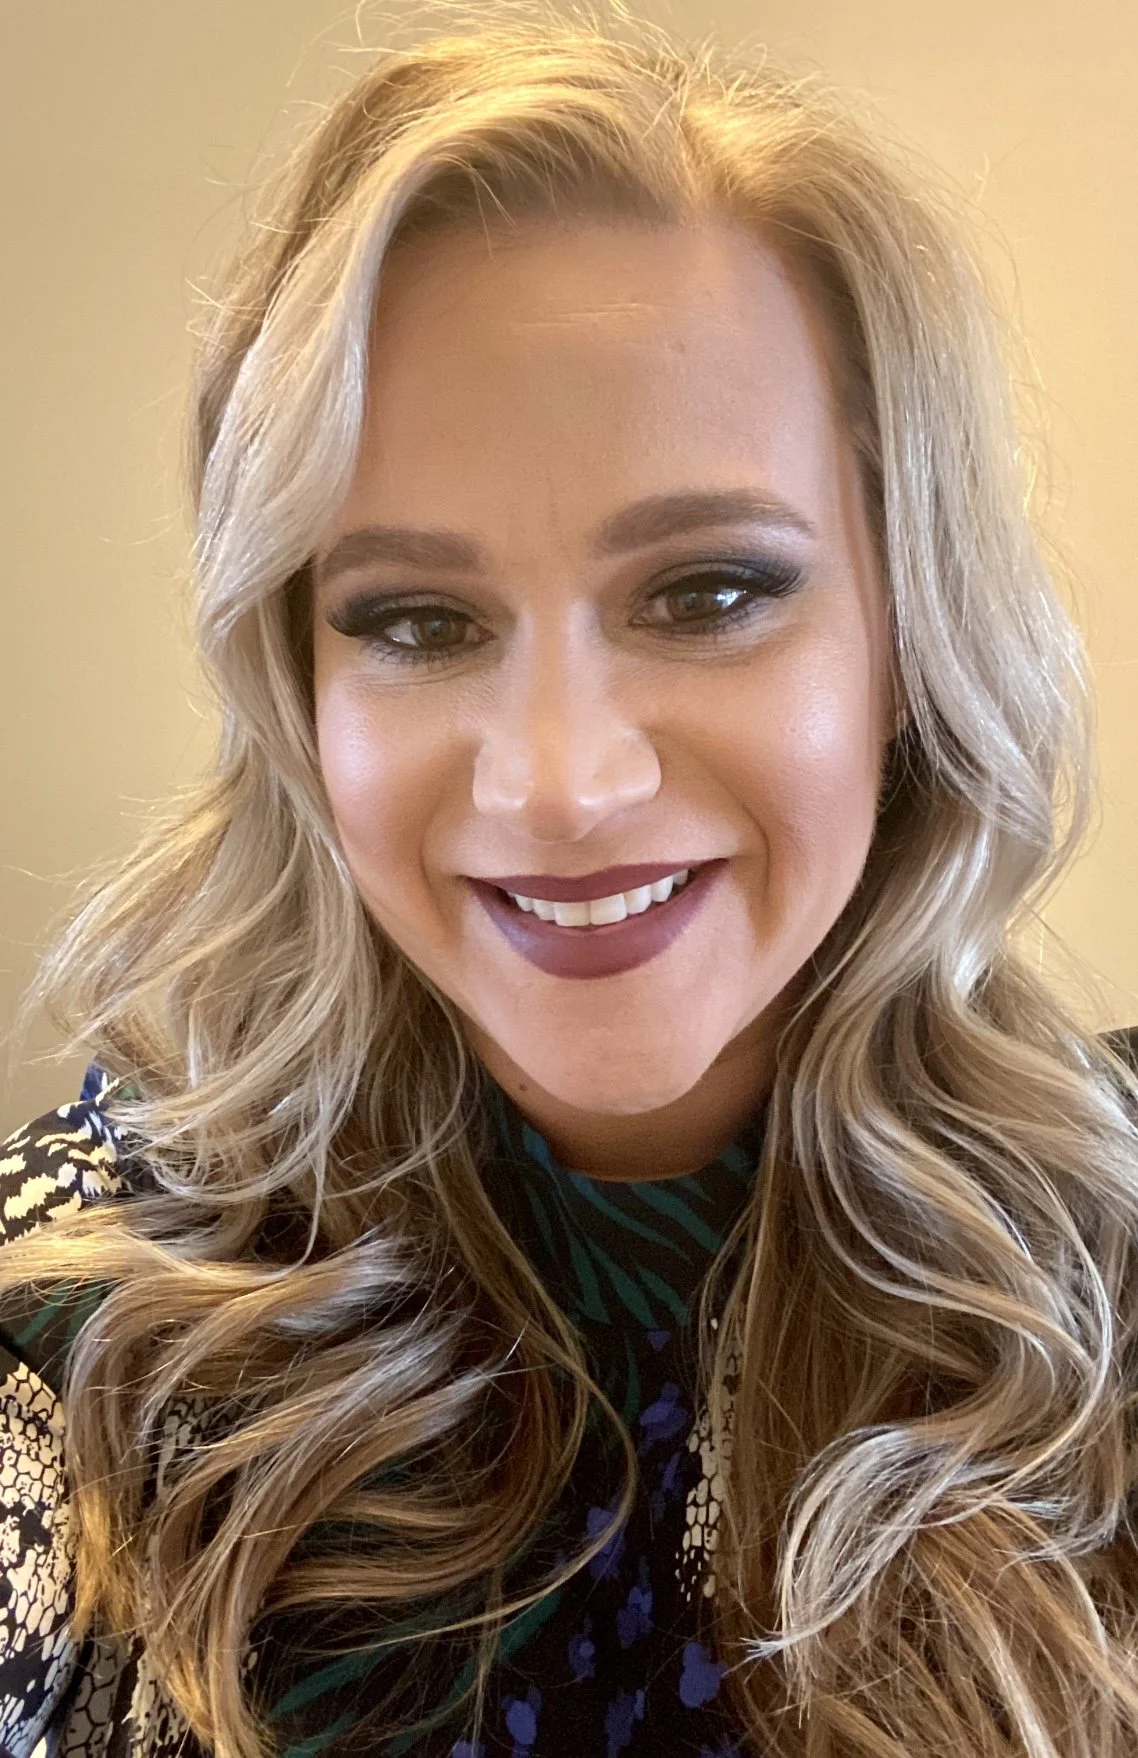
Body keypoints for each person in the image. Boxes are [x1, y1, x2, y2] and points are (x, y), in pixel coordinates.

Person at [3, 5, 1138, 1755]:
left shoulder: (1102, 1280)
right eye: (415, 619)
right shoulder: (71, 1327)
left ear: (905, 635)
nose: (559, 782)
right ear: (301, 692)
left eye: (703, 593)